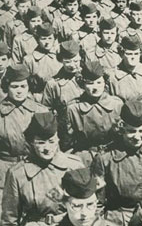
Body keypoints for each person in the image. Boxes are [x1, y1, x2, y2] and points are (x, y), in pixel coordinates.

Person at [91, 100, 142, 226]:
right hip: (119, 218)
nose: (137, 137)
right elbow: (97, 202)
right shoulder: (105, 159)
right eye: (131, 131)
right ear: (121, 129)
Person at [1, 112, 84, 225]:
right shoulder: (17, 174)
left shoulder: (74, 165)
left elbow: (90, 205)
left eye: (51, 141)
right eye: (41, 143)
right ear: (31, 143)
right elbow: (9, 219)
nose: (47, 148)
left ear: (58, 140)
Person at [0, 64, 48, 216]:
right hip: (5, 171)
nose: (20, 90)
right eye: (15, 86)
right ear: (6, 87)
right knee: (8, 214)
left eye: (23, 86)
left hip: (34, 168)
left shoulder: (40, 111)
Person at [64, 61, 123, 165]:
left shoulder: (116, 104)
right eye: (90, 83)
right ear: (82, 84)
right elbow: (67, 141)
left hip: (114, 155)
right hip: (85, 156)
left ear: (105, 83)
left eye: (99, 82)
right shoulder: (73, 109)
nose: (95, 87)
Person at [23, 22, 62, 101]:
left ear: (54, 39)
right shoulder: (29, 60)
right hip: (40, 99)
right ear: (37, 40)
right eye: (43, 39)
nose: (47, 42)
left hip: (60, 97)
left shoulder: (60, 55)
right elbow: (24, 84)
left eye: (50, 38)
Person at [108, 36, 142, 101]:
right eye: (129, 54)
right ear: (122, 54)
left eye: (136, 54)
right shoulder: (113, 76)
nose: (133, 57)